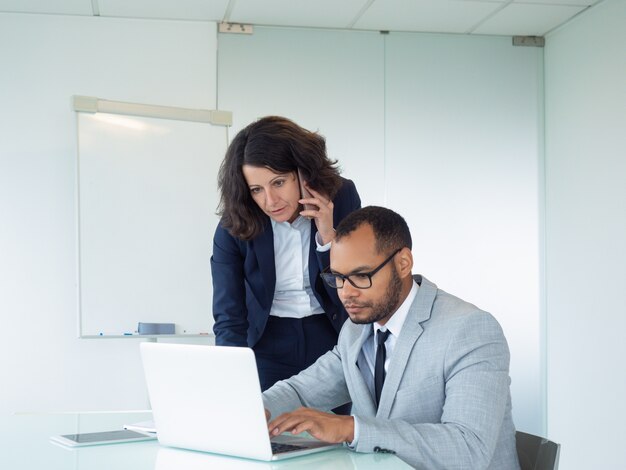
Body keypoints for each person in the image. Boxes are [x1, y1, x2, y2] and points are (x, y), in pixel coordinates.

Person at [263, 206, 520, 469]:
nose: (346, 293)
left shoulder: (470, 329)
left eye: (361, 276)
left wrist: (352, 429)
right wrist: (255, 410)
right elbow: (303, 391)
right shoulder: (356, 329)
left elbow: (468, 449)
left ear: (403, 263)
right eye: (338, 278)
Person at [211, 116, 361, 392]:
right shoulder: (236, 222)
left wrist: (328, 237)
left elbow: (355, 289)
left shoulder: (342, 198)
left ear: (304, 173)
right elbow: (228, 314)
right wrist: (228, 382)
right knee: (271, 431)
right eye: (257, 189)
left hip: (331, 335)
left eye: (278, 183)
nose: (270, 201)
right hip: (268, 342)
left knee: (332, 430)